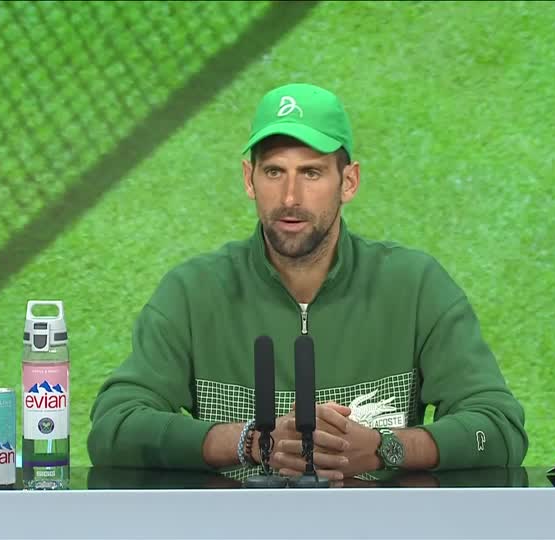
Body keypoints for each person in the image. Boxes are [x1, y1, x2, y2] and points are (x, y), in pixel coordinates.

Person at [88, 83, 528, 480]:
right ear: (249, 179)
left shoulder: (415, 286)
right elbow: (115, 427)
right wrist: (251, 443)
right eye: (275, 172)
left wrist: (383, 448)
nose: (290, 198)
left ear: (348, 181)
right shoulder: (192, 292)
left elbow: (498, 428)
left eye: (312, 173)